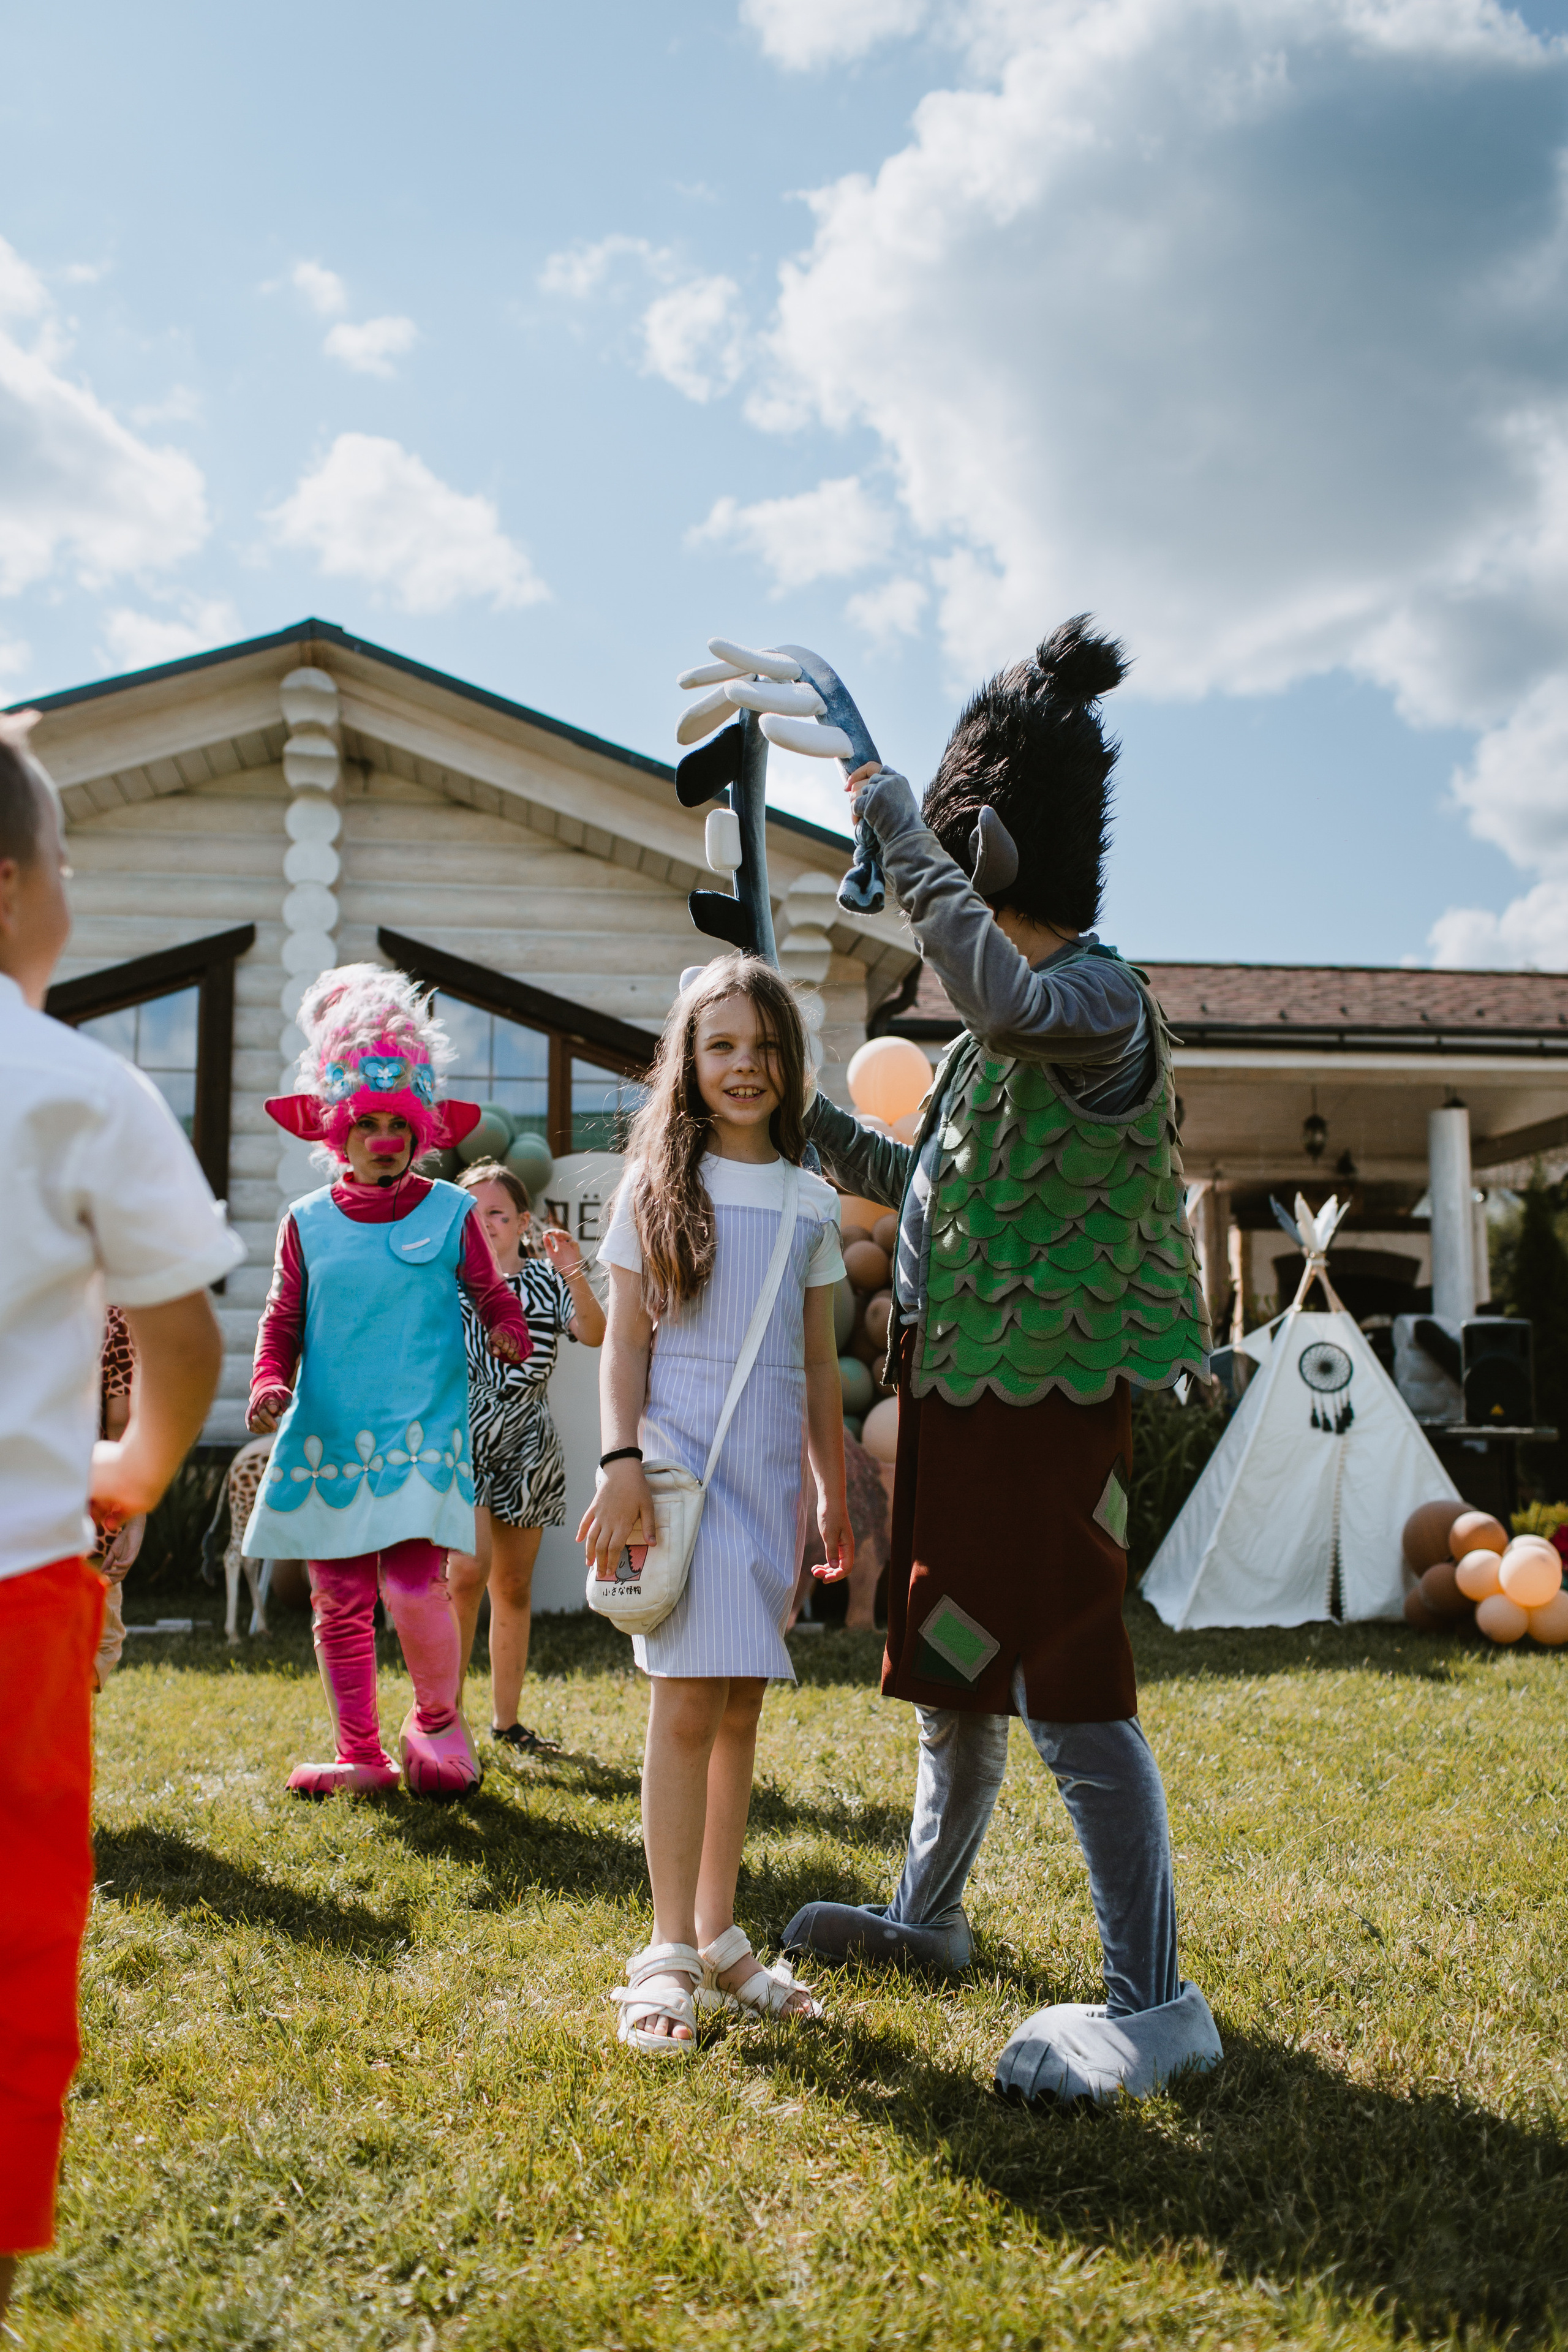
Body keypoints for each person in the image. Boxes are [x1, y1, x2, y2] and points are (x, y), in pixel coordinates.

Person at [783, 619, 1226, 2106]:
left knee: (1066, 1683)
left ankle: (1154, 1999)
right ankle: (928, 1913)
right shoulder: (981, 1055)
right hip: (961, 1400)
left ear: (981, 846)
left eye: (935, 855)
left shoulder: (1093, 1002)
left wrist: (882, 801)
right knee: (953, 1671)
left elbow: (1006, 996)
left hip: (1050, 1404)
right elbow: (917, 1180)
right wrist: (795, 1114)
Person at [0, 713, 239, 2323]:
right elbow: (181, 1335)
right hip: (14, 1588)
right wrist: (140, 1465)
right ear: (10, 890)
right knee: (11, 1942)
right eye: (70, 861)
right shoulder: (83, 1088)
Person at [579, 955, 851, 2056]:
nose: (746, 1066)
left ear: (793, 1063)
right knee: (686, 1707)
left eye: (765, 1046)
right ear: (687, 1063)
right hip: (680, 1472)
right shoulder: (653, 1192)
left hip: (769, 1480)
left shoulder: (812, 1200)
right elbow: (624, 1347)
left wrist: (832, 1488)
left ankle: (719, 1934)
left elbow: (820, 1365)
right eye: (722, 1045)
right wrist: (619, 1461)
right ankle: (666, 1952)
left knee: (739, 1708)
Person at [243, 965, 531, 1800]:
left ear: (421, 1125)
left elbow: (490, 1292)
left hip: (419, 1433)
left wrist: (508, 1327)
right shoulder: (306, 1222)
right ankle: (361, 1754)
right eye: (365, 1123)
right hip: (331, 1433)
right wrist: (268, 1380)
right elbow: (282, 1320)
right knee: (337, 1599)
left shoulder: (450, 1212)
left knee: (412, 1587)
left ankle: (438, 1727)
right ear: (338, 1129)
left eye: (397, 1122)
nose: (382, 1138)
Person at [448, 1161, 606, 1755]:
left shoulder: (543, 1279)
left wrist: (573, 1272)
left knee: (512, 1585)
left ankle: (506, 1722)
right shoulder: (444, 1281)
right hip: (460, 1438)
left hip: (528, 1440)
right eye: (472, 1214)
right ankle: (444, 1719)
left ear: (521, 1222)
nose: (485, 1224)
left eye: (496, 1213)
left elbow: (594, 1333)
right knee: (465, 1575)